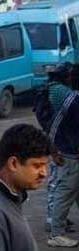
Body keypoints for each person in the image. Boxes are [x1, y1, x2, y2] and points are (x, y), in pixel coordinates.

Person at [46, 66, 79, 247]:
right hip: (69, 155)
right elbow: (54, 127)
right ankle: (56, 233)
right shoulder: (72, 101)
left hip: (70, 153)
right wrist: (54, 150)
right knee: (65, 191)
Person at [42, 63, 74, 232]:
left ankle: (56, 217)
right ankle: (53, 220)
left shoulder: (52, 89)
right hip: (60, 142)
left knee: (60, 181)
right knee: (58, 182)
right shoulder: (62, 93)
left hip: (58, 140)